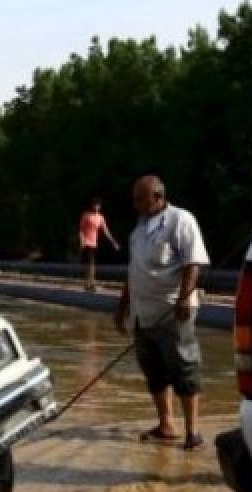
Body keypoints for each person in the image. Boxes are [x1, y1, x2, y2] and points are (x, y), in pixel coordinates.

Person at [114, 175, 209, 451]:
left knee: (184, 366)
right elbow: (133, 273)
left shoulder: (181, 220)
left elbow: (193, 263)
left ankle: (193, 431)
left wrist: (183, 299)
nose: (135, 204)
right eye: (134, 199)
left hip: (173, 311)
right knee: (153, 370)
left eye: (140, 198)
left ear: (158, 197)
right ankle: (166, 424)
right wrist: (122, 310)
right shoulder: (137, 232)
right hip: (143, 313)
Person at [77, 197, 119, 292]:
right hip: (86, 242)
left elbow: (106, 231)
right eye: (95, 205)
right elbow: (81, 229)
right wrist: (81, 240)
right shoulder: (86, 215)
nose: (96, 207)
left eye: (98, 205)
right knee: (90, 263)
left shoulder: (100, 217)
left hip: (94, 243)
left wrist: (113, 242)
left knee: (91, 264)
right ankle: (90, 284)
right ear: (92, 206)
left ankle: (88, 284)